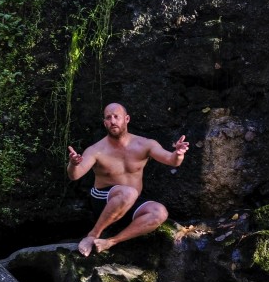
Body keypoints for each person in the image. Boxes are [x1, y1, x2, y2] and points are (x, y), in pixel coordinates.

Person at [67, 102, 189, 256]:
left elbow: (171, 160)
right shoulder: (96, 150)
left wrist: (178, 153)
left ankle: (111, 241)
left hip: (131, 202)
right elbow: (74, 175)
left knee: (160, 212)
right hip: (104, 200)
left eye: (116, 117)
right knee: (128, 193)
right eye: (108, 118)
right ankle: (93, 234)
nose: (112, 121)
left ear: (127, 119)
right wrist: (73, 164)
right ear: (104, 123)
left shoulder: (145, 144)